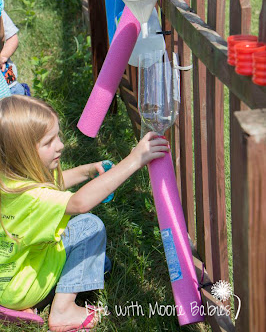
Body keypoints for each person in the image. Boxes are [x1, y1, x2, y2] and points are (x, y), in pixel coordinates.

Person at [0, 95, 169, 331]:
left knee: (101, 264)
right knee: (89, 227)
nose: (60, 144)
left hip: (7, 280)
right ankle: (63, 311)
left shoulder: (10, 181)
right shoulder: (35, 199)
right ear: (23, 152)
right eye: (49, 142)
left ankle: (15, 303)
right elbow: (81, 203)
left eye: (57, 136)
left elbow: (55, 183)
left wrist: (88, 171)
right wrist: (134, 160)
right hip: (26, 289)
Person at [0, 10, 27, 95]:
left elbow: (12, 38)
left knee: (21, 104)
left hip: (10, 84)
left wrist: (3, 56)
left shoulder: (0, 13)